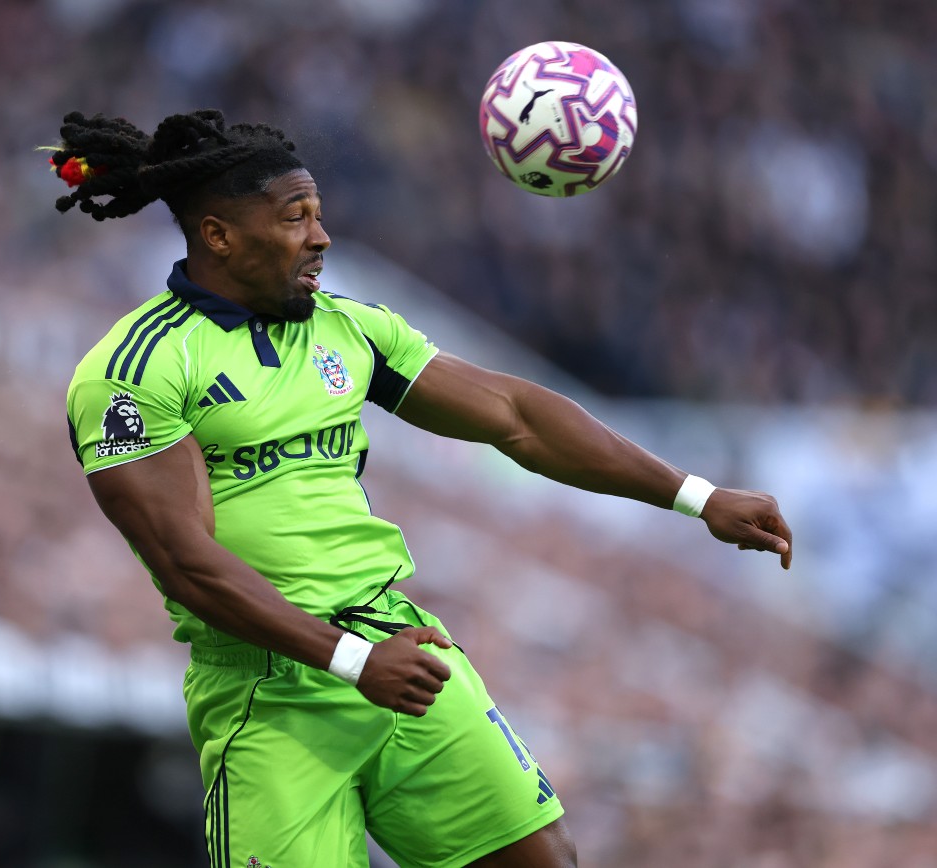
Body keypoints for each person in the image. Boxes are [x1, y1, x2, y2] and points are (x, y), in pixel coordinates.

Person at [54, 109, 792, 868]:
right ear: (218, 235)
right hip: (270, 691)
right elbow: (186, 563)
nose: (321, 237)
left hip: (402, 653)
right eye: (296, 217)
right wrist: (351, 661)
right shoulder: (132, 371)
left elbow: (516, 416)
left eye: (319, 214)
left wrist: (697, 496)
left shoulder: (349, 330)